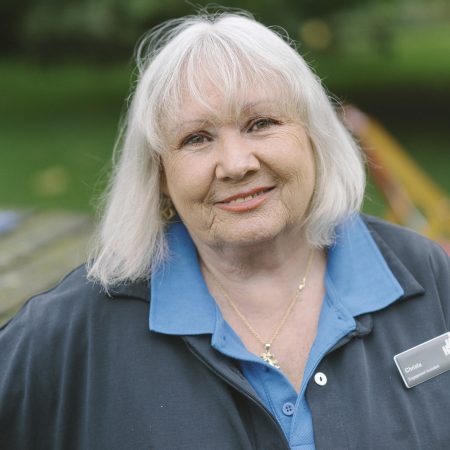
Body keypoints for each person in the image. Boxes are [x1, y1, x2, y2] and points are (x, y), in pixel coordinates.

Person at [1, 11, 449, 450]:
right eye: (196, 138)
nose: (236, 164)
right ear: (159, 173)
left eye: (262, 124)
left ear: (314, 137)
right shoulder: (77, 329)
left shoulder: (422, 274)